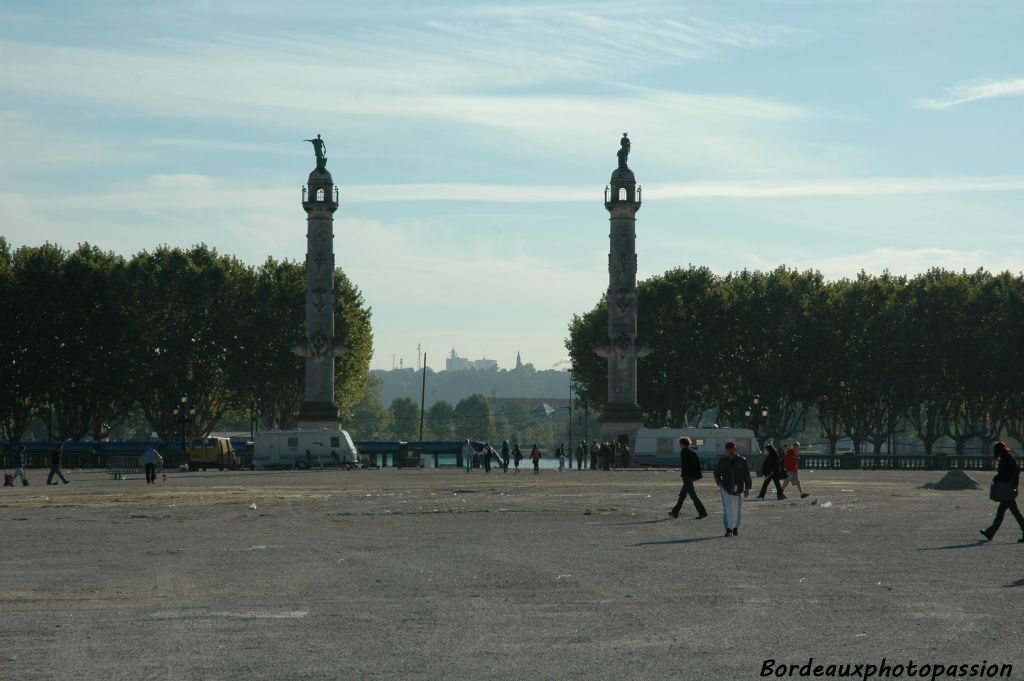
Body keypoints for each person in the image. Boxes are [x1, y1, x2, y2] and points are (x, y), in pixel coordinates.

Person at [980, 441, 1024, 542]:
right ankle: (990, 532)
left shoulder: (1005, 460)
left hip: (1006, 489)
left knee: (1012, 512)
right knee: (1004, 512)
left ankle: (990, 532)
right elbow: (1016, 472)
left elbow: (1004, 474)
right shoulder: (1010, 458)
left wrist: (996, 479)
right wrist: (1015, 485)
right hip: (1009, 488)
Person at [713, 442, 751, 537]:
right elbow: (716, 472)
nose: (730, 451)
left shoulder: (742, 460)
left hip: (739, 488)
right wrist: (720, 483)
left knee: (736, 509)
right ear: (726, 450)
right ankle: (728, 528)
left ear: (735, 449)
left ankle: (735, 528)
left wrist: (747, 488)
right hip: (726, 488)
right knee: (727, 508)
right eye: (728, 449)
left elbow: (746, 475)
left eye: (732, 449)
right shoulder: (722, 461)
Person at [669, 437, 707, 520]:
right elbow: (697, 464)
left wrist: (684, 475)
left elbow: (685, 465)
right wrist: (698, 476)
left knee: (692, 495)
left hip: (687, 476)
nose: (679, 445)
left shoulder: (684, 452)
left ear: (682, 444)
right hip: (692, 475)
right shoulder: (693, 452)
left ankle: (702, 512)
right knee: (682, 495)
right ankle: (675, 512)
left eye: (680, 444)